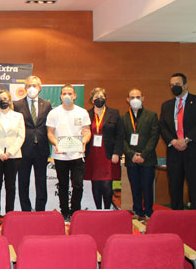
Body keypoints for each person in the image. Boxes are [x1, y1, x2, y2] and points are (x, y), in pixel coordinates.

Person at [159, 73, 196, 210]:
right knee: (174, 187)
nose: (174, 87)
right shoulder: (167, 105)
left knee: (194, 187)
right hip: (174, 151)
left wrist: (186, 140)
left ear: (185, 85)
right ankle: (177, 216)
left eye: (177, 84)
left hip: (194, 151)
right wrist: (174, 141)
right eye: (172, 85)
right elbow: (162, 126)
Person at [46, 84, 91, 220]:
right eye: (64, 93)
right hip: (60, 156)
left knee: (78, 185)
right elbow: (50, 133)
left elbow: (87, 131)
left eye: (70, 93)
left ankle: (75, 211)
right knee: (63, 185)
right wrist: (56, 144)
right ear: (60, 96)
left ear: (75, 96)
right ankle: (64, 212)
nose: (67, 96)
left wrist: (84, 142)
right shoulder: (54, 113)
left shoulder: (82, 112)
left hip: (77, 155)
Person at [0, 89, 25, 222]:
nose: (3, 101)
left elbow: (21, 136)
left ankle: (9, 214)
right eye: (1, 98)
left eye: (6, 98)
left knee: (11, 186)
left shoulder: (18, 116)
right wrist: (0, 153)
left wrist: (9, 152)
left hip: (13, 156)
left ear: (10, 100)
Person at [13, 75, 52, 212]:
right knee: (23, 181)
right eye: (29, 85)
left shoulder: (46, 104)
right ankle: (26, 210)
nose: (31, 88)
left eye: (34, 85)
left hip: (41, 148)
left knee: (41, 181)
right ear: (25, 88)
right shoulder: (17, 105)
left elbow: (50, 126)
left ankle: (40, 209)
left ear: (40, 88)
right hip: (23, 149)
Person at [83, 88, 124, 210]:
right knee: (95, 184)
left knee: (107, 184)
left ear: (105, 98)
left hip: (108, 154)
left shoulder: (114, 113)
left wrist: (117, 152)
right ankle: (98, 210)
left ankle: (107, 209)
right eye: (96, 96)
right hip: (92, 154)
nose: (99, 98)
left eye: (101, 96)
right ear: (92, 100)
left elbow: (120, 135)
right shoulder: (87, 114)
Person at [122, 88, 159, 219]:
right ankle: (137, 211)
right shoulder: (124, 118)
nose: (135, 100)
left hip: (147, 159)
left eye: (138, 96)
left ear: (143, 98)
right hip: (131, 159)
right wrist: (131, 155)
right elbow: (122, 139)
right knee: (135, 187)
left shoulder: (152, 115)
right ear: (128, 100)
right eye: (132, 97)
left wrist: (143, 155)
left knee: (147, 186)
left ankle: (148, 211)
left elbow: (154, 137)